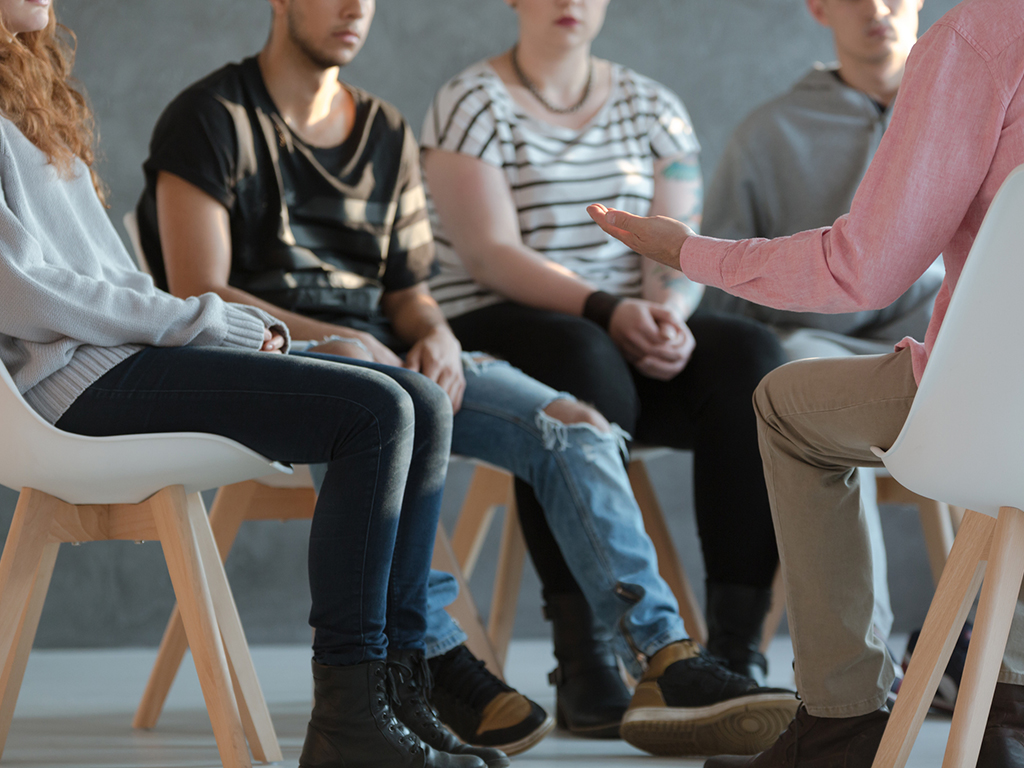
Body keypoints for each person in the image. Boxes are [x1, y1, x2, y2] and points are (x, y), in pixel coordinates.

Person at [135, 0, 795, 758]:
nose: (355, 9)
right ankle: (434, 656)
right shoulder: (209, 117)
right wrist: (341, 337)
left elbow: (410, 289)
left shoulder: (381, 126)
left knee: (570, 424)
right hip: (268, 357)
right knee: (371, 396)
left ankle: (664, 658)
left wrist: (437, 335)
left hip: (384, 355)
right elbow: (199, 289)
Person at [0, 3, 488, 768]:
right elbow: (22, 291)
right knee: (376, 411)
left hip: (114, 359)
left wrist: (199, 326)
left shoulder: (29, 90)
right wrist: (207, 322)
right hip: (66, 386)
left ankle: (397, 692)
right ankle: (349, 717)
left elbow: (109, 276)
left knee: (419, 400)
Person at [587, 0, 1024, 764]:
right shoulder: (773, 127)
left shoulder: (979, 39)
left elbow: (865, 270)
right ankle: (1009, 696)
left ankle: (844, 719)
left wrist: (689, 253)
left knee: (786, 404)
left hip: (990, 397)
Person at [421, 0, 793, 745]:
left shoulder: (652, 106)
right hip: (498, 331)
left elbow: (678, 246)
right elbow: (491, 254)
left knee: (751, 362)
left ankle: (729, 655)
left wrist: (670, 315)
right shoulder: (470, 103)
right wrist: (605, 311)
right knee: (579, 358)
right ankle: (585, 659)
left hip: (625, 337)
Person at [702, 0, 945, 652]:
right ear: (817, 9)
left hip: (939, 339)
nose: (876, 10)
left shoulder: (964, 111)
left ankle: (976, 641)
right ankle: (866, 673)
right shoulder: (768, 132)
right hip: (812, 339)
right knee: (800, 381)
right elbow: (721, 281)